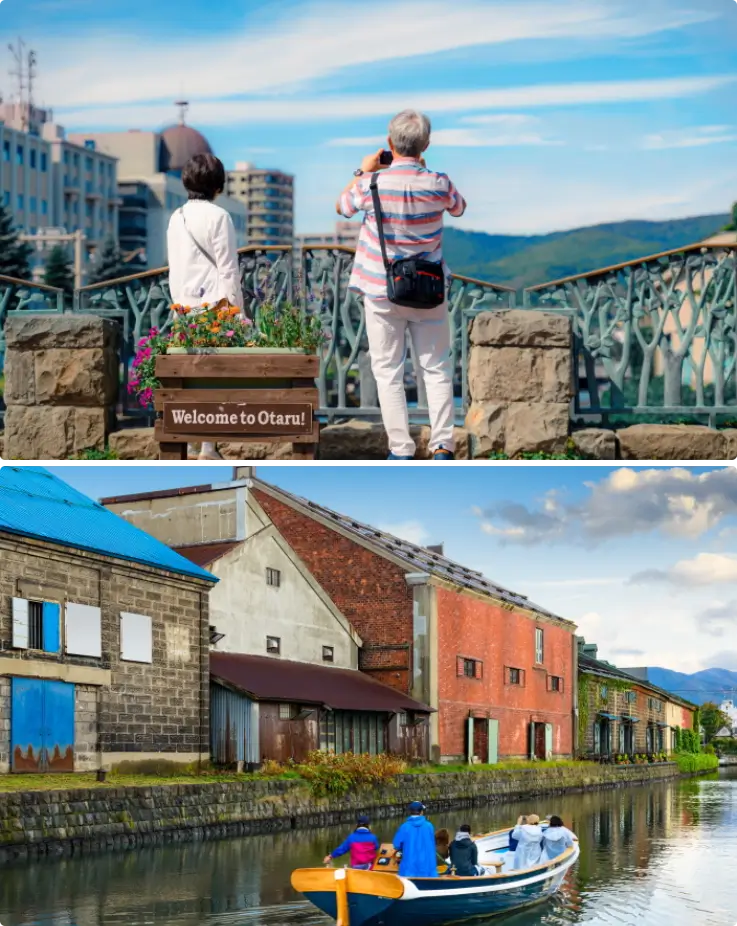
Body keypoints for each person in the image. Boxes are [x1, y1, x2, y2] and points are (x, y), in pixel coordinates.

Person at [336, 110, 467, 464]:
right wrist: (423, 170)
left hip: (381, 288)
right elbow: (459, 209)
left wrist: (362, 171)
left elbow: (342, 206)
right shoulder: (440, 182)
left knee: (388, 371)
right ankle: (443, 446)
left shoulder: (371, 184)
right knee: (436, 369)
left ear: (389, 143)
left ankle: (400, 449)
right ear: (426, 144)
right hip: (429, 289)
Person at [167, 152, 245, 462]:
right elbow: (228, 269)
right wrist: (237, 311)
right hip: (214, 307)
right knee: (212, 378)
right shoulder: (219, 217)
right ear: (218, 186)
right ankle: (208, 448)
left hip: (183, 307)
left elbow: (175, 266)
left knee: (188, 378)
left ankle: (188, 442)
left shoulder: (176, 217)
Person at [392, 801, 437, 877]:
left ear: (410, 812)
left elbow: (396, 845)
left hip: (408, 870)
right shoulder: (429, 826)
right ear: (421, 812)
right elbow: (433, 844)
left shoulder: (404, 827)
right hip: (427, 870)